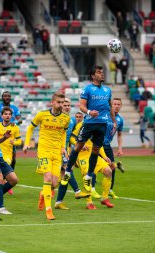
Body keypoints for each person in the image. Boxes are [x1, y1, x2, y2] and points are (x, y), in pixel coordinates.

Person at [61, 65, 117, 195]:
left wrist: (113, 121)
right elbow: (81, 106)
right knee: (79, 146)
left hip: (102, 124)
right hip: (89, 123)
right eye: (99, 72)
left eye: (102, 72)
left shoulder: (107, 90)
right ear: (93, 76)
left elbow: (110, 108)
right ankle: (68, 171)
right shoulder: (87, 89)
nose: (102, 74)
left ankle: (88, 176)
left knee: (96, 150)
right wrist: (89, 112)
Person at [23, 92, 70, 220]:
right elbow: (30, 128)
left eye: (62, 103)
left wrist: (63, 147)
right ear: (52, 102)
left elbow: (64, 133)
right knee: (48, 177)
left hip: (56, 152)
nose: (61, 105)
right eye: (59, 102)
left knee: (55, 182)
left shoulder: (66, 118)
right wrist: (27, 143)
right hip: (44, 150)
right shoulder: (42, 115)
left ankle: (43, 193)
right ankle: (48, 210)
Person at [68, 118, 114, 209]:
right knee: (88, 176)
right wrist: (80, 143)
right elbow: (71, 137)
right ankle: (89, 203)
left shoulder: (99, 125)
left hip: (94, 155)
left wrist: (104, 156)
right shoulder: (81, 125)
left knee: (108, 171)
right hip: (83, 156)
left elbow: (98, 144)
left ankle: (105, 198)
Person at [55, 101, 89, 210]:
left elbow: (70, 137)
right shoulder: (56, 119)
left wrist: (79, 145)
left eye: (68, 105)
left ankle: (58, 202)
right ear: (60, 106)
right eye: (64, 105)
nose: (67, 107)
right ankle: (77, 191)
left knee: (64, 177)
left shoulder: (72, 121)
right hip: (55, 149)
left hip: (65, 150)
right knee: (67, 171)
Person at [98, 98, 125, 200]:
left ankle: (109, 190)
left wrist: (120, 149)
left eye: (119, 104)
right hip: (98, 144)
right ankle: (91, 189)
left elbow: (119, 135)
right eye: (115, 104)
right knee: (93, 166)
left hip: (107, 145)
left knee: (112, 167)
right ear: (111, 105)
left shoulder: (120, 120)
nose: (117, 106)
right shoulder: (105, 115)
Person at [0, 91, 22, 171]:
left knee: (13, 158)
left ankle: (10, 174)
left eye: (8, 96)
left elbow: (20, 119)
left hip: (10, 133)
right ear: (2, 98)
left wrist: (15, 122)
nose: (7, 97)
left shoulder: (14, 108)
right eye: (5, 96)